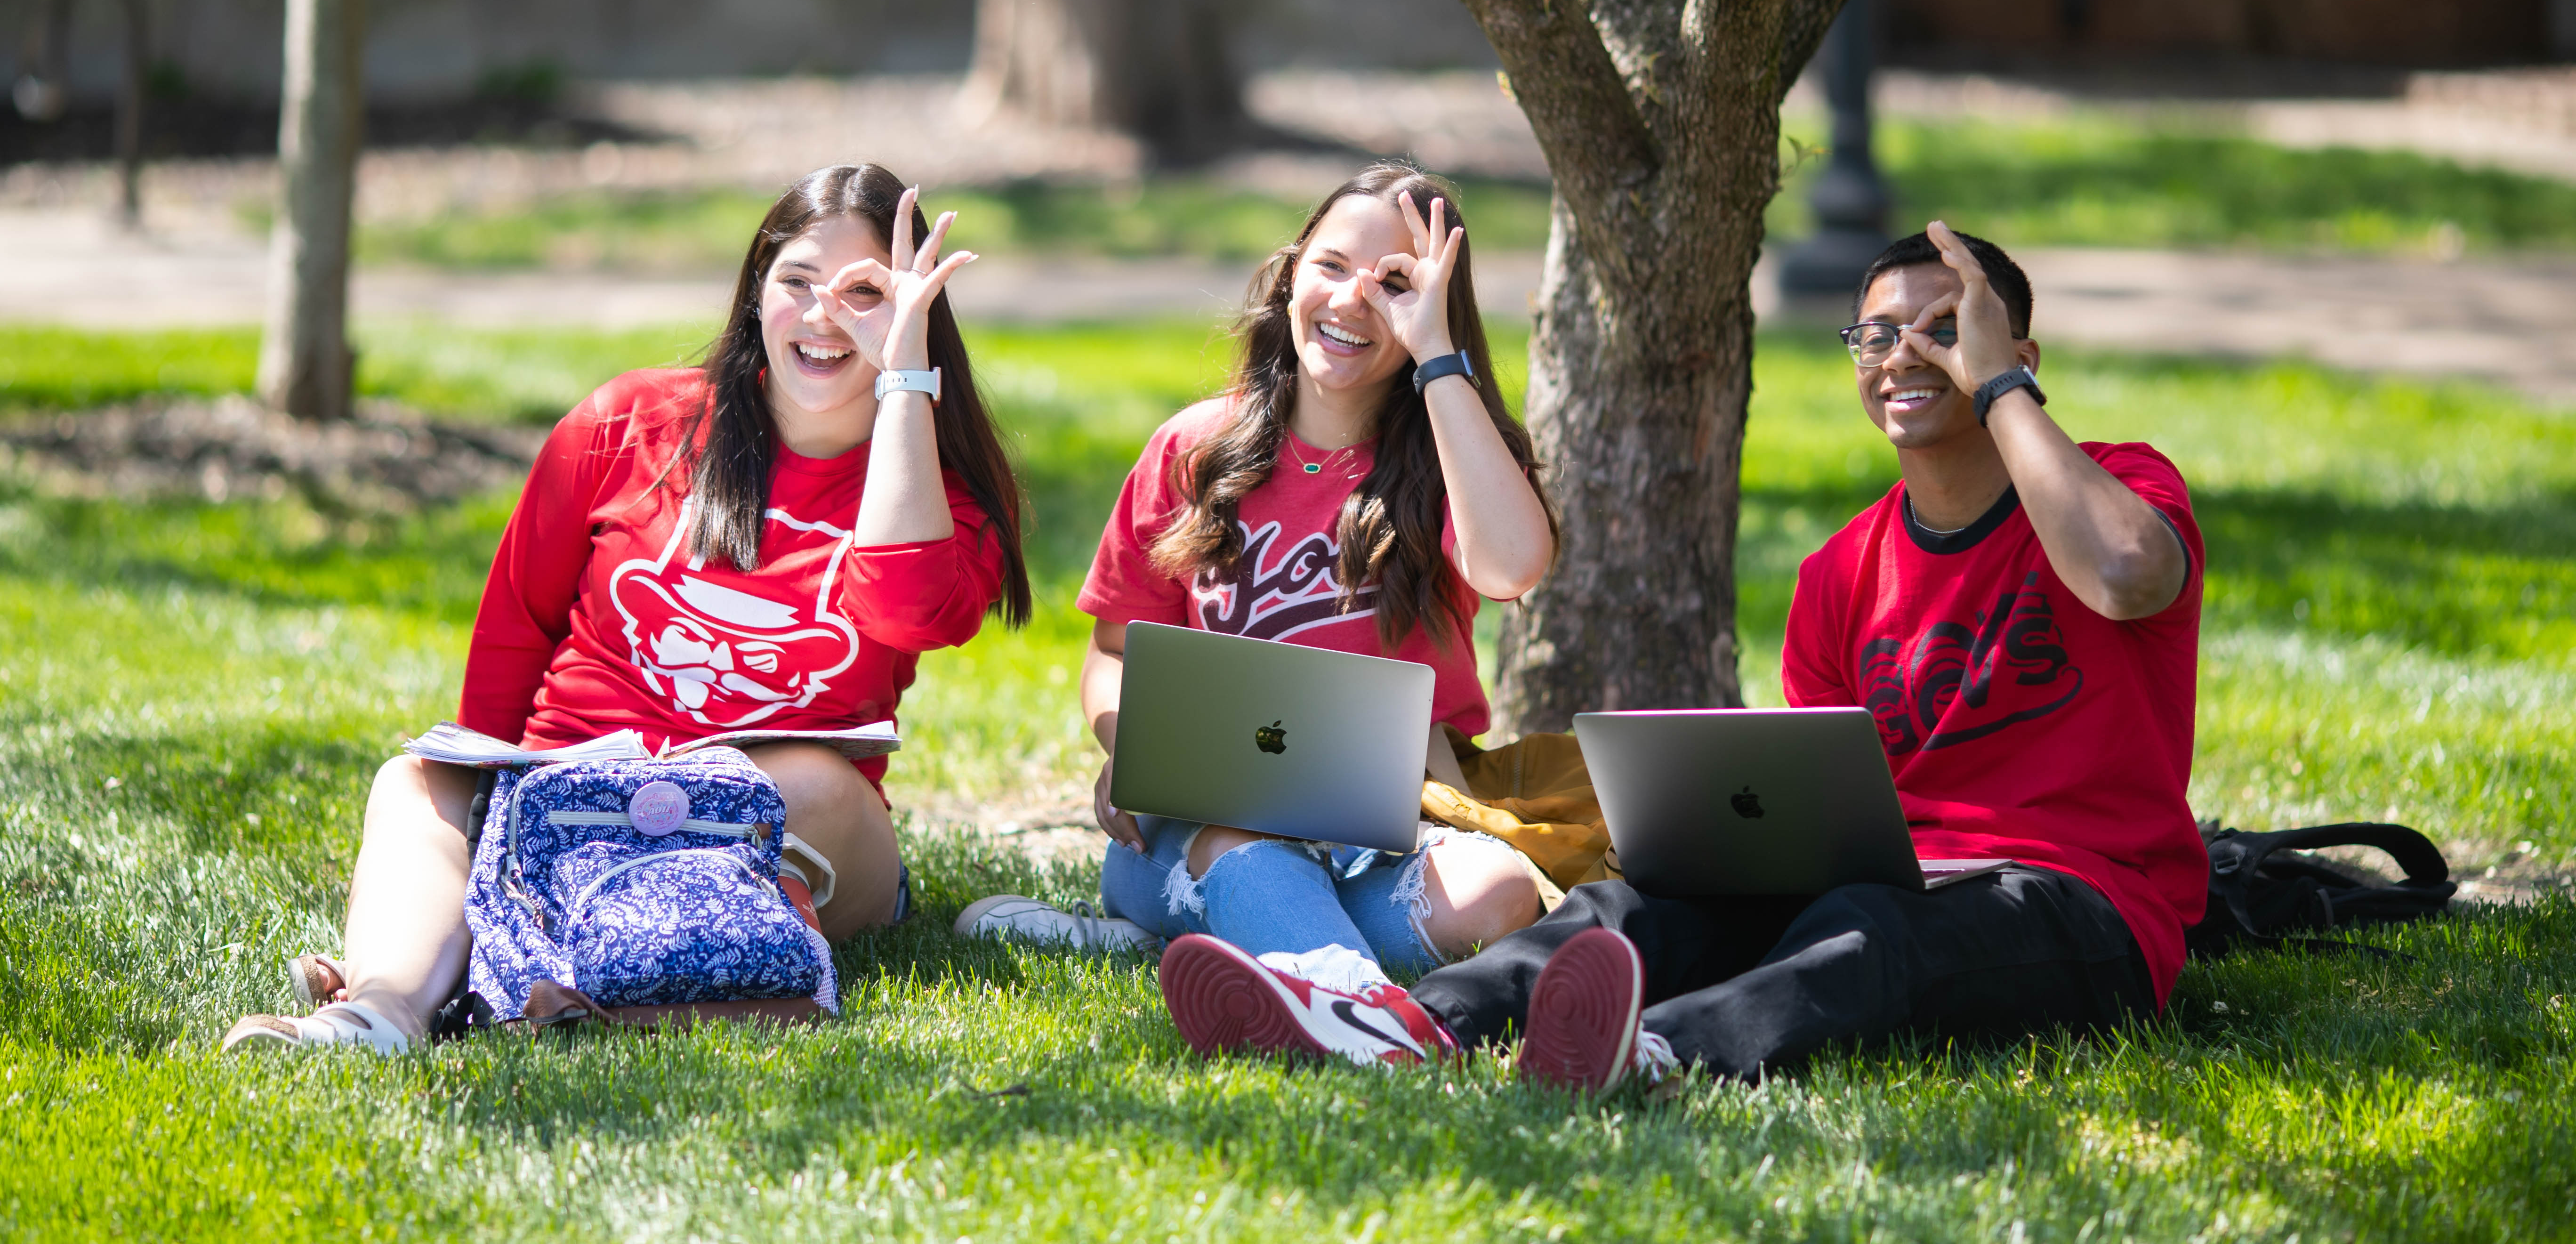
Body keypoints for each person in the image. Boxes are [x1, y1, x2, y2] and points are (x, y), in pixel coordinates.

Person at [1174, 220, 2207, 1083]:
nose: (1905, 355)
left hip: (2079, 896)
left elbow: (2126, 575)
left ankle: (1656, 1052)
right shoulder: (1840, 572)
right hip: (1897, 873)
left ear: (2014, 358)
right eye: (1878, 333)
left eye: (1945, 332)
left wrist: (1995, 389)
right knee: (1644, 902)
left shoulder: (2122, 487)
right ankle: (1410, 1023)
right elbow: (1826, 810)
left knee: (1868, 935)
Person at [220, 165, 1030, 1054]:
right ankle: (382, 1012)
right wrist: (488, 785)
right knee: (417, 786)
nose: (824, 315)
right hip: (569, 791)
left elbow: (912, 611)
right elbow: (518, 621)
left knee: (811, 787)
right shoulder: (629, 420)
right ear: (755, 292)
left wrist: (905, 379)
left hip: (774, 816)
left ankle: (499, 952)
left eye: (865, 292)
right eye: (796, 281)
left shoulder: (941, 493)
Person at [961, 166, 1556, 1059]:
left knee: (1500, 895)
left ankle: (1217, 947)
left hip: (1389, 824)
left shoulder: (1454, 454)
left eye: (1395, 283)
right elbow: (1114, 650)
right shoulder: (1195, 448)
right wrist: (1130, 744)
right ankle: (1366, 1022)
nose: (1353, 298)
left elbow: (1513, 567)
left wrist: (1438, 361)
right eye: (1331, 265)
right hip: (1202, 823)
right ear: (1289, 279)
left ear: (1434, 307)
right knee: (1248, 838)